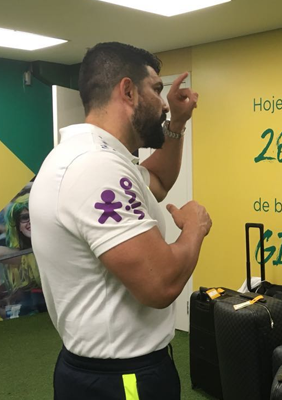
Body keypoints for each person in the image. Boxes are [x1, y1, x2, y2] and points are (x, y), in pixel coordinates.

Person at [30, 42, 212, 400]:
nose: (163, 103)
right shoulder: (95, 168)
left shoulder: (98, 158)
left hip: (109, 370)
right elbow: (159, 285)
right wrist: (194, 228)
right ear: (127, 91)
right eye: (157, 90)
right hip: (121, 378)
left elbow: (156, 183)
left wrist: (176, 123)